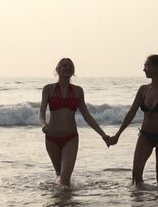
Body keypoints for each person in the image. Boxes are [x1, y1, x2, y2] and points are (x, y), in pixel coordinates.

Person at [39, 58, 110, 187]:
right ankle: (63, 204)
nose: (67, 68)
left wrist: (103, 135)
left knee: (65, 178)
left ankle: (67, 203)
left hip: (70, 138)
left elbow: (87, 116)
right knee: (59, 175)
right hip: (52, 138)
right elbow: (41, 112)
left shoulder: (78, 91)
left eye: (70, 66)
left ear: (73, 71)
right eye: (64, 66)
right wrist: (44, 124)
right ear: (58, 69)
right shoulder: (48, 89)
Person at [109, 55, 158, 187]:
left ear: (157, 68)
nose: (144, 69)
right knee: (136, 177)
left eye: (147, 66)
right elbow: (131, 113)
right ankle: (140, 206)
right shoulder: (143, 89)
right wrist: (118, 134)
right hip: (145, 135)